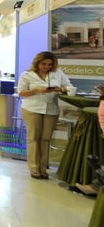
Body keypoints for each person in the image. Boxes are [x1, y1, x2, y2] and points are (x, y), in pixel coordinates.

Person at [17, 51, 72, 180]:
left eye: (49, 64)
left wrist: (60, 89)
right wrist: (36, 90)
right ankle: (34, 168)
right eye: (44, 64)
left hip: (51, 110)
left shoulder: (58, 73)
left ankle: (43, 168)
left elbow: (69, 87)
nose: (46, 67)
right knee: (33, 138)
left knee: (45, 139)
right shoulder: (27, 75)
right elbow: (21, 92)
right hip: (32, 109)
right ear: (37, 63)